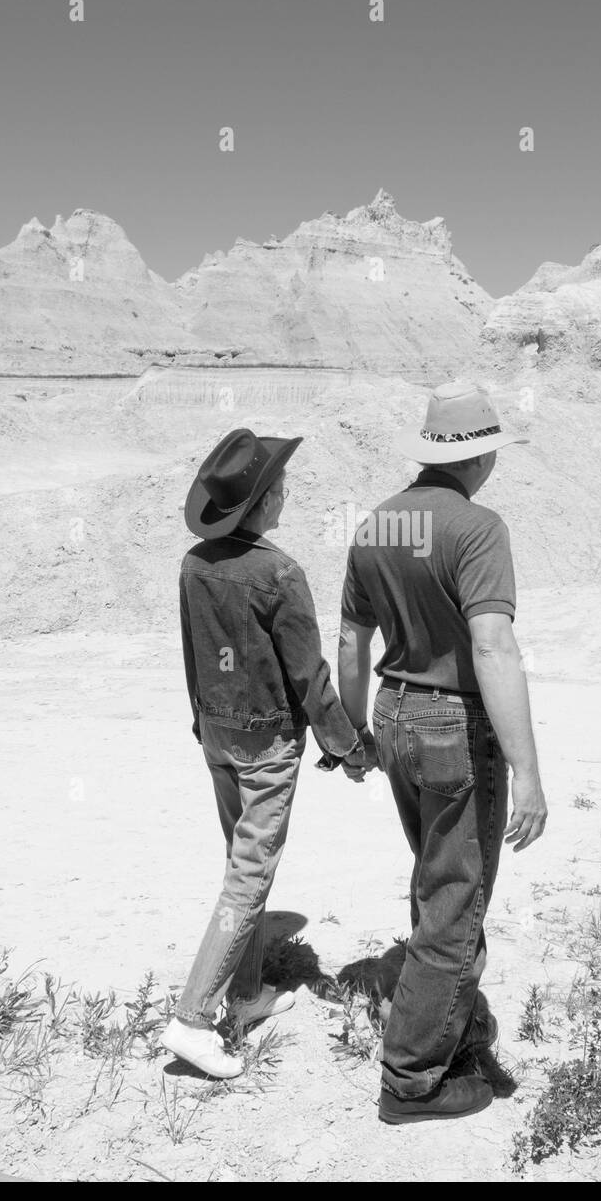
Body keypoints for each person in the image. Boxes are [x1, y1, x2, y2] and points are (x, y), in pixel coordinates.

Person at [337, 381, 548, 1123]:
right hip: (453, 724)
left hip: (394, 715)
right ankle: (412, 1079)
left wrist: (357, 729)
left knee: (437, 877)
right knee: (456, 899)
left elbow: (351, 640)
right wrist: (526, 768)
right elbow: (493, 645)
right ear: (483, 455)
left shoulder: (375, 526)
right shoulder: (480, 528)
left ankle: (447, 1022)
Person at [161, 427, 367, 1078]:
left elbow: (195, 655)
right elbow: (308, 676)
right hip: (267, 742)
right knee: (249, 878)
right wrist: (346, 745)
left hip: (217, 734)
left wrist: (201, 723)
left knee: (243, 865)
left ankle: (247, 994)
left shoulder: (195, 564)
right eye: (279, 487)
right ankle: (193, 1021)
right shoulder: (280, 572)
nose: (286, 493)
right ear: (261, 501)